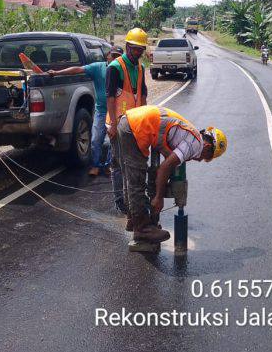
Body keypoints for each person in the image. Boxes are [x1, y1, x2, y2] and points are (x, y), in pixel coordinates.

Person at [115, 104, 227, 243]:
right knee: (136, 181)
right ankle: (142, 230)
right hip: (136, 127)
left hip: (129, 122)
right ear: (207, 147)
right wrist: (159, 197)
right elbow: (164, 168)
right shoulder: (195, 144)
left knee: (130, 177)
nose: (200, 160)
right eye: (206, 157)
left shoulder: (190, 134)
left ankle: (134, 219)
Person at [48, 45, 123, 176]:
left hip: (117, 112)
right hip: (101, 111)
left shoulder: (123, 70)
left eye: (119, 57)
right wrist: (57, 72)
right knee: (95, 140)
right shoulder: (98, 67)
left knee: (114, 141)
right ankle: (96, 165)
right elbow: (77, 69)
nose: (116, 59)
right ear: (108, 56)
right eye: (114, 56)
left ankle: (110, 164)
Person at [106, 28, 149, 213]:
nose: (138, 53)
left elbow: (143, 94)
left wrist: (145, 119)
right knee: (118, 163)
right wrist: (114, 125)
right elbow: (109, 97)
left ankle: (133, 199)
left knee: (133, 162)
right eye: (135, 49)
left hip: (135, 123)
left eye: (141, 49)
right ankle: (120, 201)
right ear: (127, 46)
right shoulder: (115, 67)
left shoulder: (140, 68)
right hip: (118, 122)